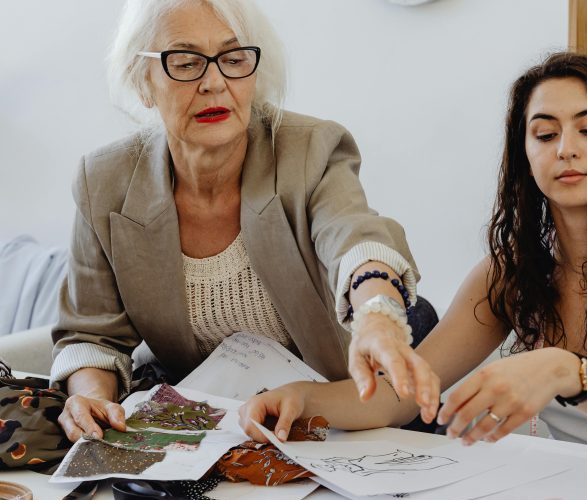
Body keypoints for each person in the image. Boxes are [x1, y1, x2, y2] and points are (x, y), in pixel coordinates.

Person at [239, 52, 587, 475]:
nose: (567, 149)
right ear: (525, 155)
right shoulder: (507, 276)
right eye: (546, 135)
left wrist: (564, 369)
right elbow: (401, 398)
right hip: (572, 485)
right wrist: (302, 399)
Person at [52, 0, 428, 442]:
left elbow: (353, 236)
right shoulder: (105, 182)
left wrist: (377, 314)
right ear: (143, 81)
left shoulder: (311, 149)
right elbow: (91, 334)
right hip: (219, 423)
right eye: (186, 62)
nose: (215, 83)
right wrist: (92, 397)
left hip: (343, 400)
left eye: (233, 60)